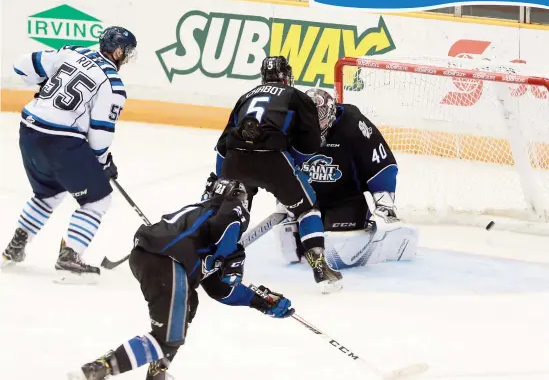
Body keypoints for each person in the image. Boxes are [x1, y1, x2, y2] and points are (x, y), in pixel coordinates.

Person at [68, 178, 294, 380]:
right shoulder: (228, 212)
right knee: (167, 338)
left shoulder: (203, 224)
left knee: (187, 307)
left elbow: (219, 288)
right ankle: (97, 370)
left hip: (151, 258)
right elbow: (228, 225)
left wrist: (258, 301)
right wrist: (231, 256)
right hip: (168, 262)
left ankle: (157, 373)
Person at [1, 26, 137, 281]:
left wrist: (45, 84)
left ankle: (16, 245)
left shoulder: (72, 52)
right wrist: (102, 163)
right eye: (126, 52)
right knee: (97, 200)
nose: (126, 58)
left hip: (29, 130)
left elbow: (21, 66)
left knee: (48, 192)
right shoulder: (113, 85)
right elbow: (99, 133)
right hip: (60, 141)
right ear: (118, 51)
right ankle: (70, 257)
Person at [212, 56, 343, 294]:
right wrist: (293, 163)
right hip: (273, 159)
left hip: (235, 159)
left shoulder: (246, 96)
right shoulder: (296, 96)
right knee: (307, 209)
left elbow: (223, 144)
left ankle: (221, 263)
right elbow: (310, 144)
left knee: (232, 210)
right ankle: (320, 267)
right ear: (286, 76)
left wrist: (219, 180)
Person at [275, 88, 418, 269]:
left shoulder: (354, 125)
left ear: (331, 113)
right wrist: (285, 197)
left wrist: (384, 205)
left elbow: (382, 164)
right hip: (308, 197)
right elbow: (280, 163)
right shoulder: (289, 126)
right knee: (292, 246)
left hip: (346, 198)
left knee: (333, 243)